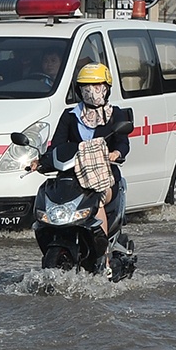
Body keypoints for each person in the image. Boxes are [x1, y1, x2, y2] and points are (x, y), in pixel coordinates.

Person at [50, 63, 132, 240]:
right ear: (78, 89)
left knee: (97, 200)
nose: (91, 91)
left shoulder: (115, 114)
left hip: (105, 178)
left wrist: (115, 154)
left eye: (96, 86)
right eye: (85, 87)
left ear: (106, 88)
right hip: (73, 178)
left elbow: (123, 143)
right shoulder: (70, 115)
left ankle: (104, 257)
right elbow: (57, 145)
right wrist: (39, 161)